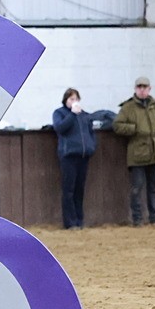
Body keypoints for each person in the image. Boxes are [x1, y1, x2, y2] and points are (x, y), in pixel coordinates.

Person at [112, 76, 155, 226]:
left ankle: (154, 217)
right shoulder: (128, 108)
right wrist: (135, 129)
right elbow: (117, 125)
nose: (142, 90)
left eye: (145, 87)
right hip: (137, 153)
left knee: (153, 187)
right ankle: (137, 218)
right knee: (137, 187)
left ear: (149, 89)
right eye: (139, 87)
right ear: (135, 89)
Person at [52, 88, 97, 229]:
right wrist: (72, 114)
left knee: (79, 190)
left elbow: (91, 132)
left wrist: (92, 146)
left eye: (76, 99)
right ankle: (70, 222)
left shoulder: (84, 115)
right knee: (69, 190)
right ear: (66, 100)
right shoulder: (59, 113)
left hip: (83, 156)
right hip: (68, 156)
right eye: (71, 99)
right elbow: (60, 128)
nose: (74, 102)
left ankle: (79, 220)